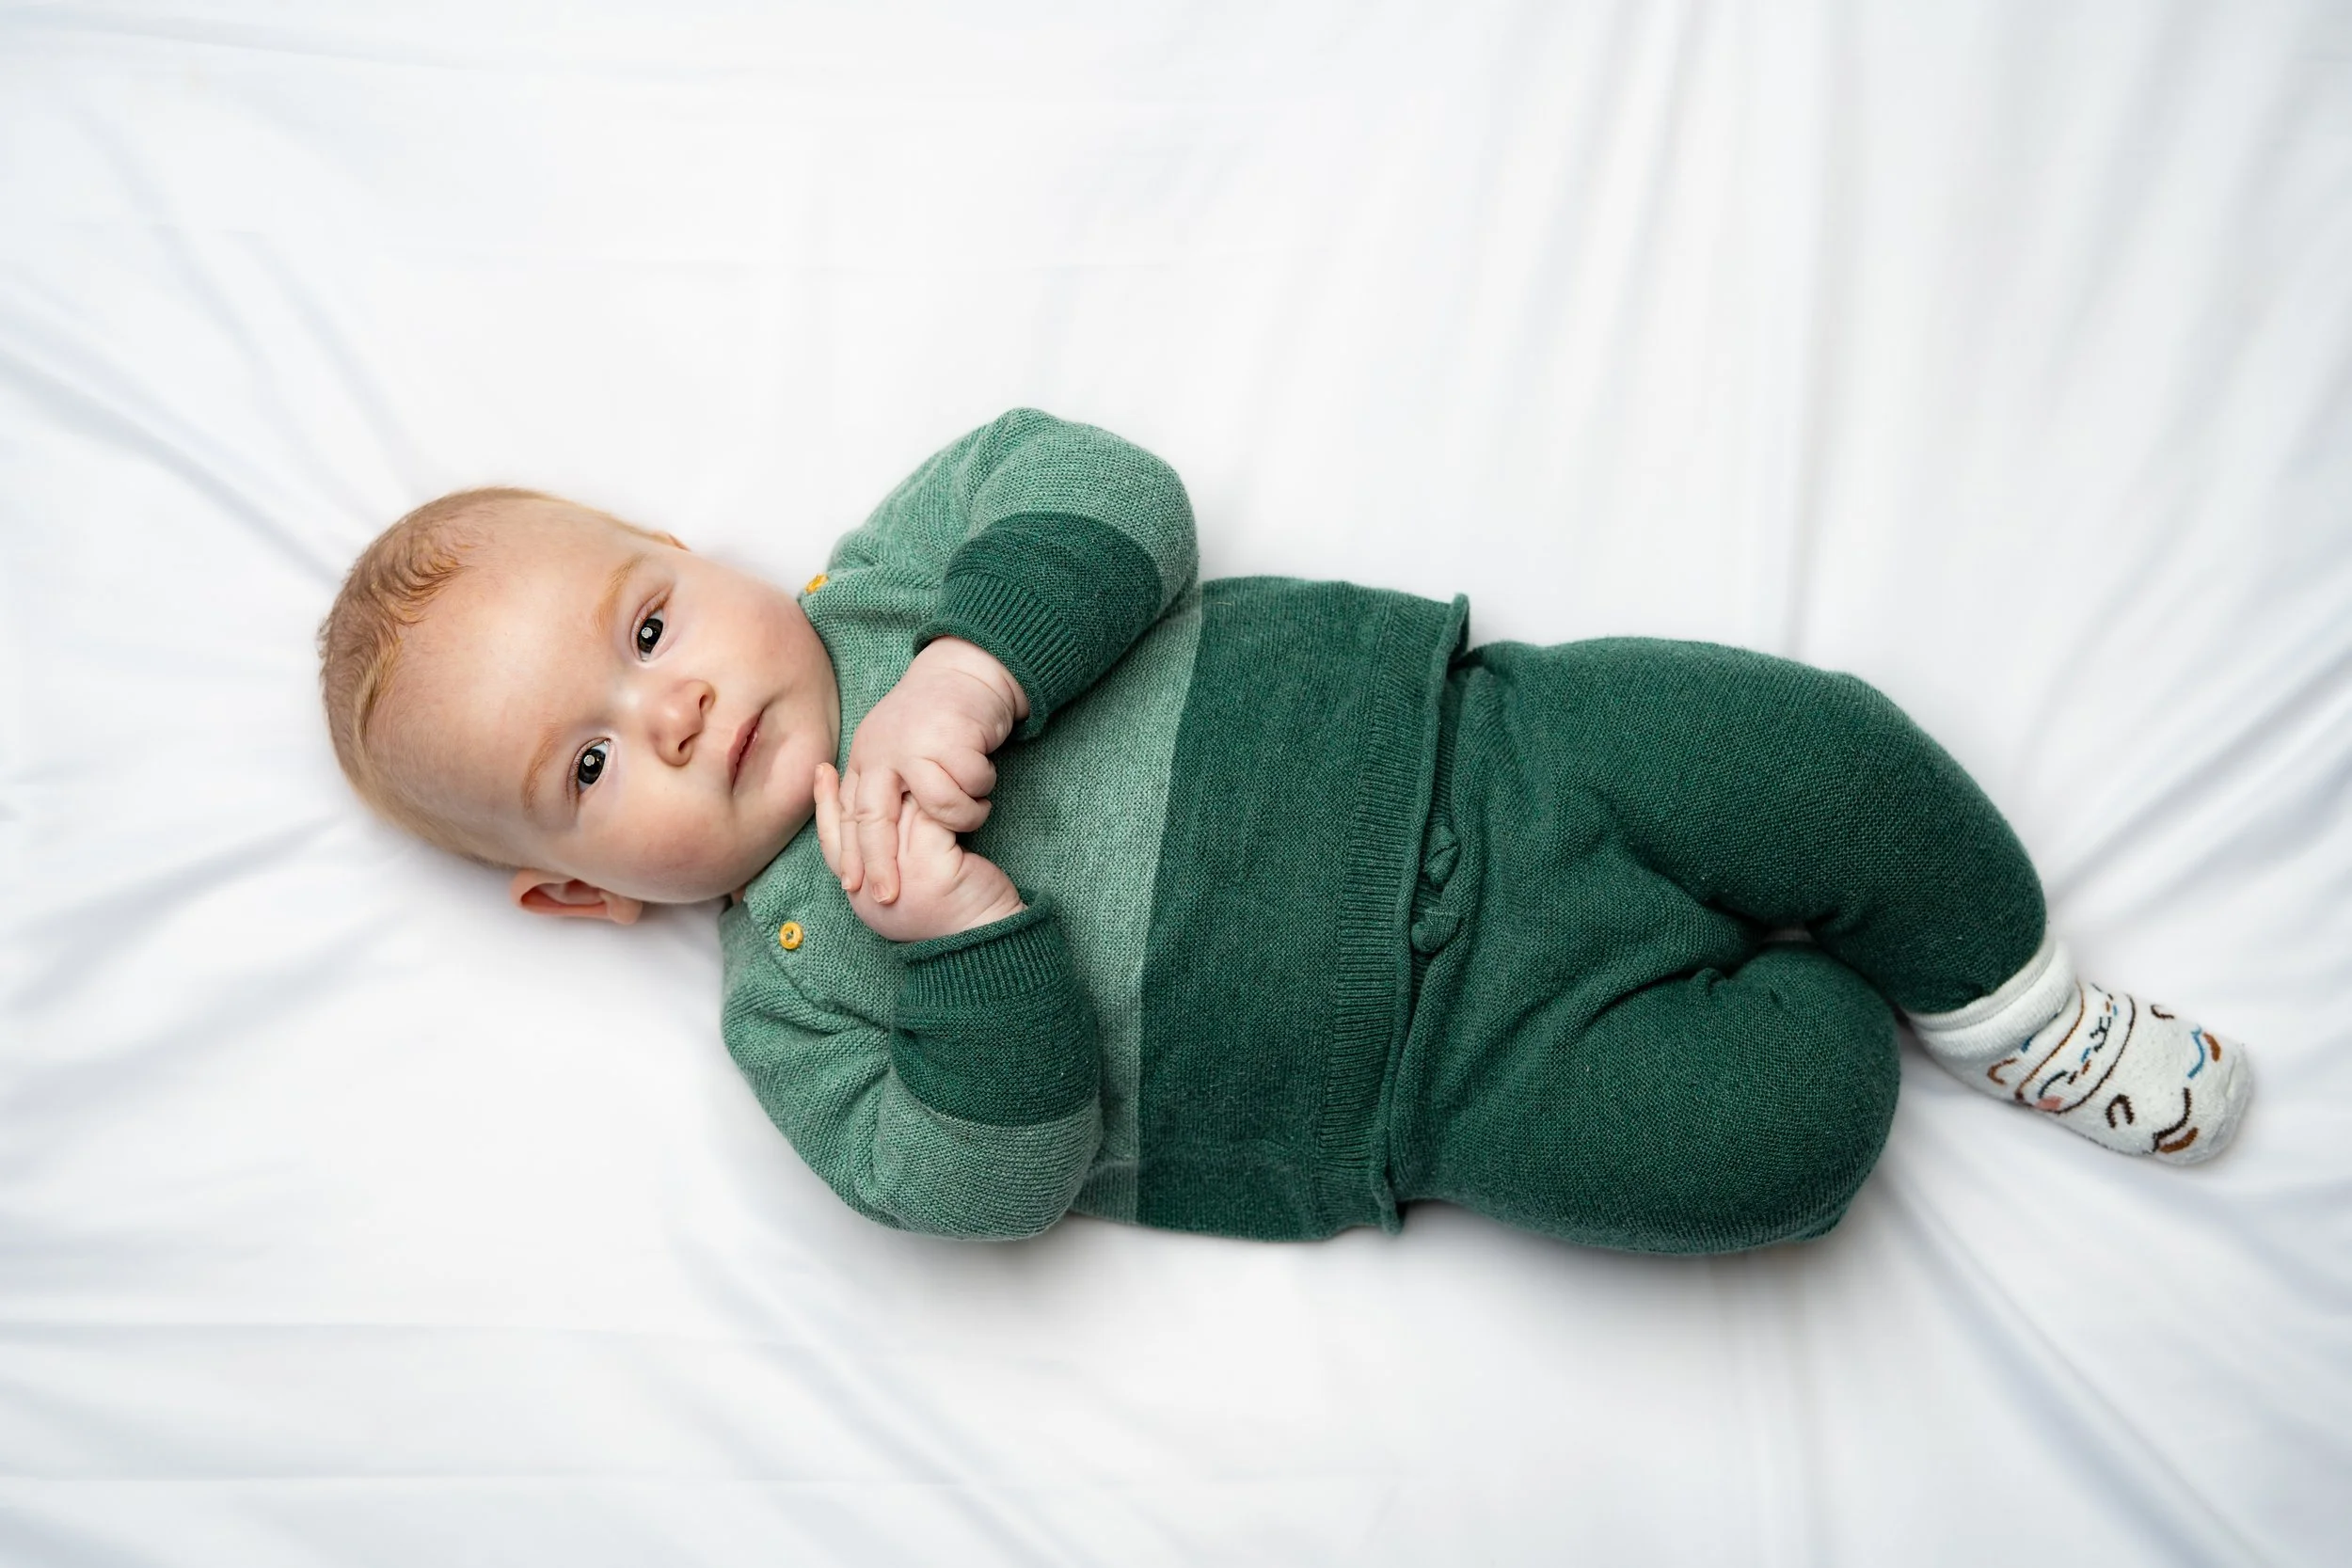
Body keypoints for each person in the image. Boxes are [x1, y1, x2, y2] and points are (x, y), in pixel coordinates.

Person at [316, 408, 2254, 1249]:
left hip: (1498, 747)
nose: (662, 705)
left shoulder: (906, 578)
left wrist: (977, 670)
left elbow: (1111, 483)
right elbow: (977, 1186)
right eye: (586, 767)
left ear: (687, 548)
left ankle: (2013, 1005)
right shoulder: (798, 1002)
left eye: (643, 624)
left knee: (1808, 751)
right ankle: (1834, 1020)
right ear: (574, 893)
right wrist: (968, 949)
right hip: (1437, 1076)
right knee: (1773, 1142)